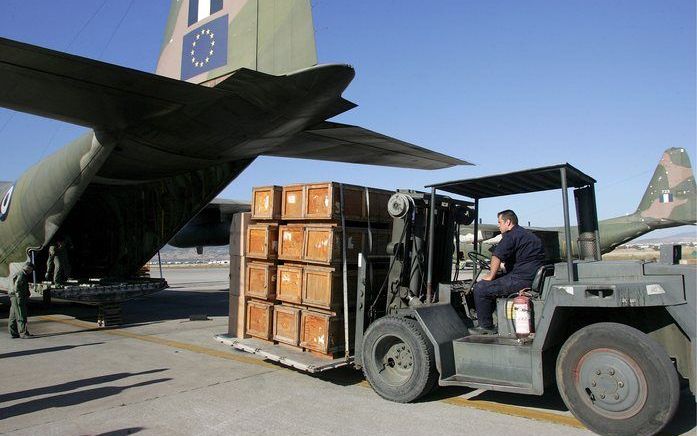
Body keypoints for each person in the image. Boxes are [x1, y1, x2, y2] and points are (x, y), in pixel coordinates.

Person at [469, 210, 545, 335]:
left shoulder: (511, 235)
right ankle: (495, 316)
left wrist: (491, 275)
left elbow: (496, 256)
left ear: (508, 222)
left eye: (499, 222)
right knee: (495, 282)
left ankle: (486, 326)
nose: (498, 226)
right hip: (531, 276)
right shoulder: (529, 235)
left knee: (480, 288)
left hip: (520, 279)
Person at [8, 261, 34, 338]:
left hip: (13, 295)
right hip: (17, 297)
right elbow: (17, 287)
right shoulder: (22, 275)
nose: (31, 271)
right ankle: (23, 333)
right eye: (31, 269)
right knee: (21, 314)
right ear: (28, 268)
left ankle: (13, 332)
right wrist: (19, 298)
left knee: (13, 315)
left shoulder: (19, 273)